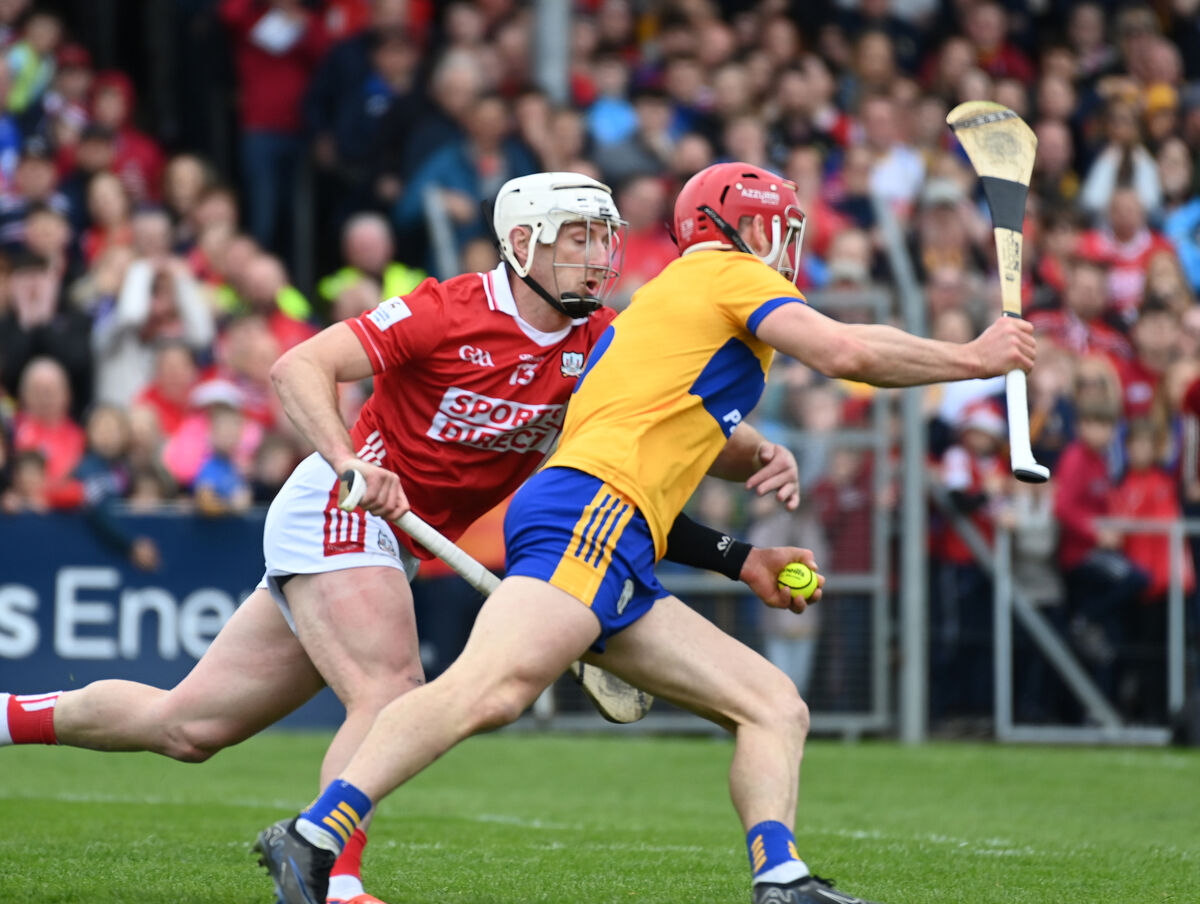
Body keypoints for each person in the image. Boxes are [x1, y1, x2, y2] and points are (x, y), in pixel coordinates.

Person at [2, 172, 806, 904]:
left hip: (398, 538)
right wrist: (351, 458)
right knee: (389, 688)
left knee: (188, 727)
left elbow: (649, 472)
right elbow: (298, 368)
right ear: (521, 244)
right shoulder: (446, 308)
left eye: (603, 238)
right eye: (575, 238)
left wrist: (750, 459)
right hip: (342, 504)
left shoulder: (600, 350)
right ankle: (332, 882)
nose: (597, 257)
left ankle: (8, 716)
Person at [251, 162, 1036, 904]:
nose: (785, 247)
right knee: (488, 689)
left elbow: (671, 455)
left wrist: (743, 556)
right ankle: (316, 835)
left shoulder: (641, 320)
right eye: (773, 228)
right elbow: (847, 351)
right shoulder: (723, 272)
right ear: (731, 230)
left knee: (772, 705)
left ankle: (783, 879)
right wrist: (974, 359)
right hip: (587, 511)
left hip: (617, 526)